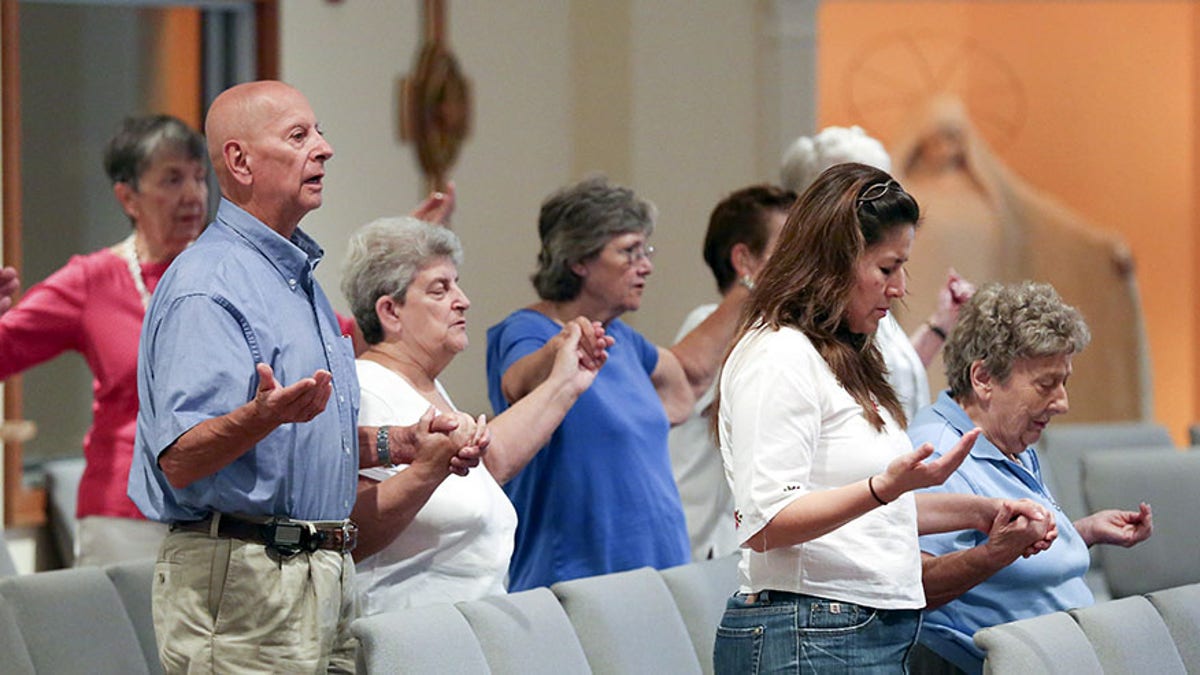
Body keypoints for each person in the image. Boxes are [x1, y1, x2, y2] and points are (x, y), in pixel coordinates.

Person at [128, 81, 477, 673]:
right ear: (239, 162)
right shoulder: (207, 286)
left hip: (321, 576)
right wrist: (259, 416)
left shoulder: (295, 279)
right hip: (244, 586)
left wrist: (402, 442)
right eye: (299, 136)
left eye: (319, 132)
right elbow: (181, 458)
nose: (324, 149)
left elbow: (301, 437)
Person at [712, 162, 1053, 674]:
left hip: (853, 629)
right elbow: (767, 522)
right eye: (886, 268)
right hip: (807, 631)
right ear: (832, 263)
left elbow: (873, 513)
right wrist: (882, 487)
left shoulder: (843, 355)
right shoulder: (778, 354)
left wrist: (984, 512)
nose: (899, 288)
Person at [486, 175, 748, 591]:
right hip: (577, 581)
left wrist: (749, 288)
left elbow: (686, 383)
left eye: (645, 250)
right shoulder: (527, 330)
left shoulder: (621, 337)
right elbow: (518, 385)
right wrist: (561, 351)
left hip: (660, 573)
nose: (645, 265)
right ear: (579, 260)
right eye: (628, 252)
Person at [340, 216, 610, 615]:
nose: (462, 299)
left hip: (463, 632)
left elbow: (487, 466)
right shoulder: (368, 388)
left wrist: (566, 382)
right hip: (407, 636)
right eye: (440, 289)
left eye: (457, 284)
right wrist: (427, 470)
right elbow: (352, 531)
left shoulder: (421, 385)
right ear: (390, 311)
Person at [913, 281, 1154, 674]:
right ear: (984, 378)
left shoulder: (1012, 437)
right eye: (1046, 384)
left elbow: (1015, 558)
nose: (1062, 402)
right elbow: (917, 587)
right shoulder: (938, 453)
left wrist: (1084, 531)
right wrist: (996, 553)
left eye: (1064, 382)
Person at [0, 115, 207, 566]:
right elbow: (5, 349)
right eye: (172, 179)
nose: (193, 195)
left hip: (215, 514)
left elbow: (331, 336)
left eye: (199, 178)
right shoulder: (93, 280)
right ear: (128, 196)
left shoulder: (226, 274)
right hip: (122, 517)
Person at [782, 124, 974, 420]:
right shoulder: (788, 339)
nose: (898, 287)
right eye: (870, 199)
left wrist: (940, 325)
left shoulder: (865, 305)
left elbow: (891, 381)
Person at [667, 184, 794, 562]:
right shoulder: (707, 325)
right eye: (790, 247)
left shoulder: (774, 333)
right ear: (745, 260)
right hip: (697, 549)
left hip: (731, 548)